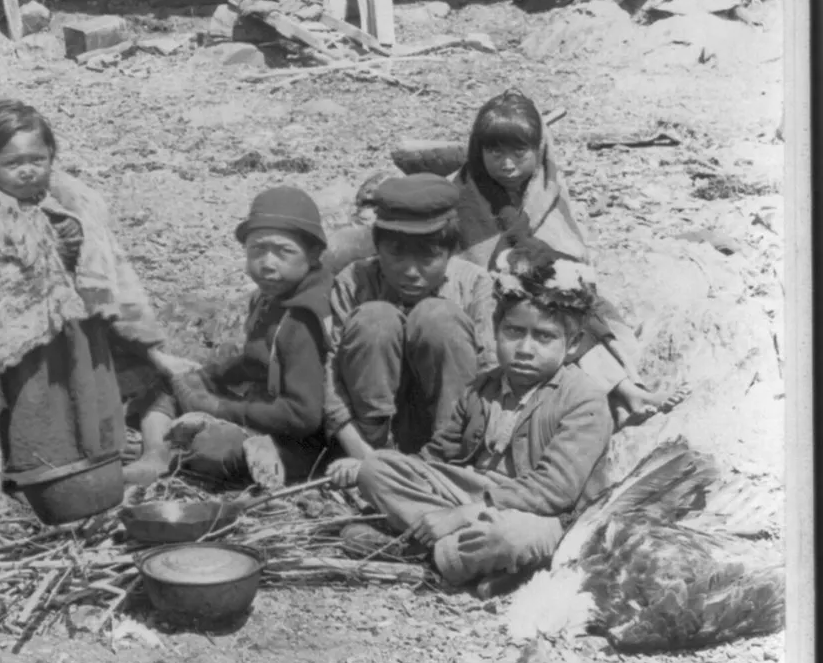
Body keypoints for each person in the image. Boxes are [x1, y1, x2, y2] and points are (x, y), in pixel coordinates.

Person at [353, 246, 615, 595]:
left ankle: (425, 555)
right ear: (495, 329)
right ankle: (457, 554)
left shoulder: (583, 398)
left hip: (539, 513)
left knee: (507, 538)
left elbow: (554, 491)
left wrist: (463, 515)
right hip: (471, 493)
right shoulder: (483, 387)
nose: (524, 348)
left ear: (572, 345)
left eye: (544, 337)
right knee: (375, 467)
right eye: (513, 331)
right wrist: (402, 476)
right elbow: (437, 456)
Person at [0, 99, 182, 488]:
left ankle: (97, 462)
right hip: (24, 342)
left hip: (76, 330)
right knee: (37, 405)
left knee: (86, 395)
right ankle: (38, 474)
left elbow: (99, 261)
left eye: (36, 159)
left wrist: (74, 247)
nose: (26, 170)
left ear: (51, 156)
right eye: (12, 163)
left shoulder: (71, 204)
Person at [451, 89, 682, 426]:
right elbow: (465, 267)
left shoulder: (547, 188)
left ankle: (625, 388)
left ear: (539, 149)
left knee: (576, 312)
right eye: (494, 151)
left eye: (519, 151)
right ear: (478, 150)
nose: (507, 164)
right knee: (541, 329)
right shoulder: (463, 196)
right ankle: (615, 395)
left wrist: (551, 275)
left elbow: (570, 251)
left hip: (548, 286)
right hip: (490, 300)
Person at [321, 173, 496, 480]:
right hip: (369, 445)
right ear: (377, 246)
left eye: (428, 257)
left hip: (451, 440)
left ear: (451, 251)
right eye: (396, 254)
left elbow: (490, 376)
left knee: (437, 317)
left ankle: (444, 468)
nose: (411, 272)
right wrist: (365, 457)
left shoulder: (474, 284)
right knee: (375, 319)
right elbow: (331, 378)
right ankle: (380, 463)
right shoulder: (355, 280)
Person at [164, 186, 334, 487]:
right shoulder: (269, 297)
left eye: (284, 251)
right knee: (166, 386)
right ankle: (154, 454)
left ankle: (168, 453)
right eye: (257, 250)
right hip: (264, 413)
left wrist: (222, 410)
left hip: (305, 443)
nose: (267, 263)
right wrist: (211, 375)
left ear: (313, 254)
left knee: (214, 450)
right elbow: (257, 359)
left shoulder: (303, 317)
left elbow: (302, 416)